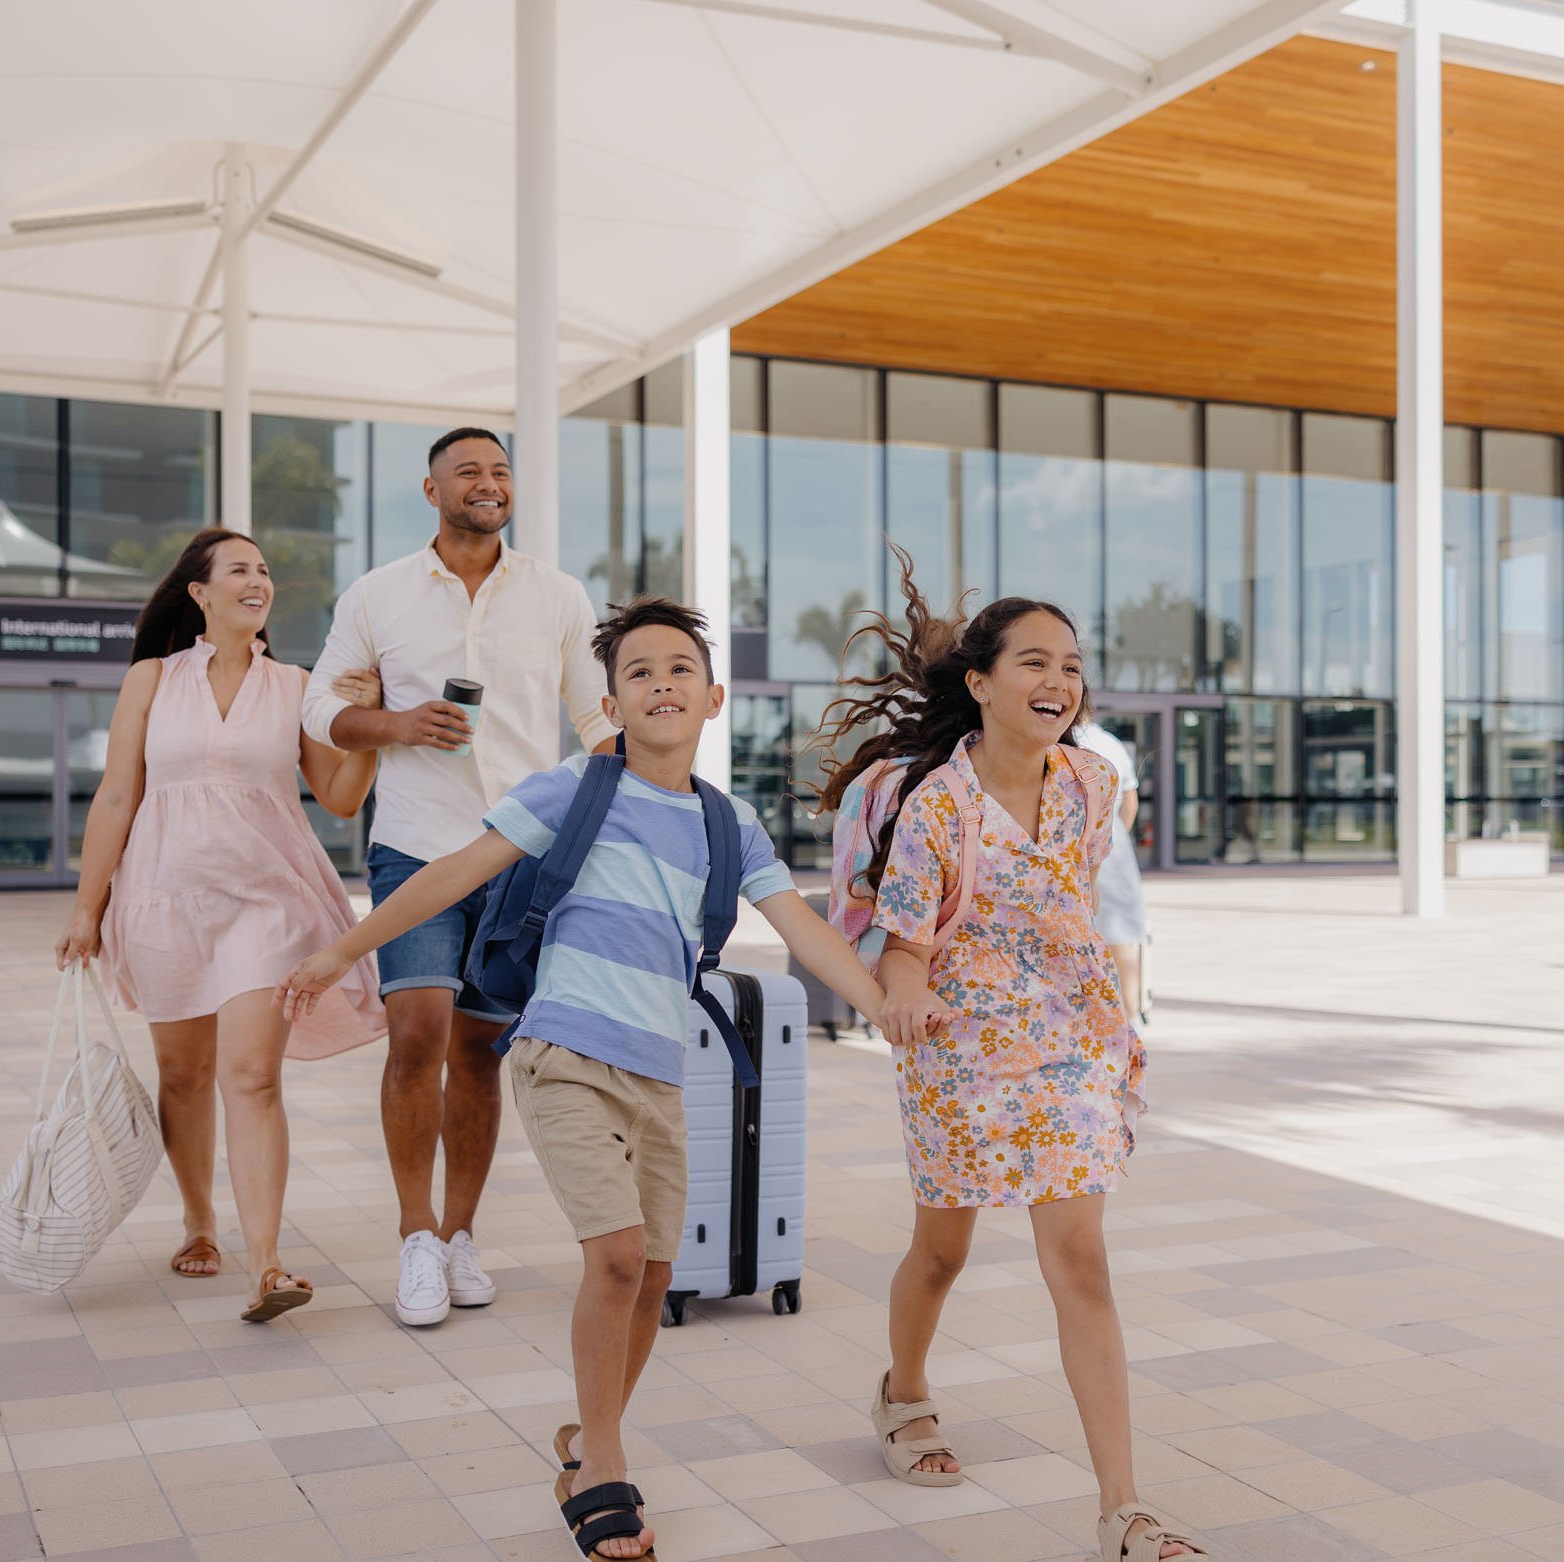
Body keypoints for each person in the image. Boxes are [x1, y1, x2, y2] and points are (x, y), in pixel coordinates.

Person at [279, 598, 944, 1562]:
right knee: (620, 1257)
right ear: (610, 702)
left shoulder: (729, 824)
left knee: (659, 1273)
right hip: (562, 1055)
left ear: (714, 697)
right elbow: (451, 875)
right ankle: (605, 1470)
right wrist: (337, 951)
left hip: (660, 1072)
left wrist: (886, 1003)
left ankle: (587, 1438)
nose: (661, 682)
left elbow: (801, 927)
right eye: (639, 671)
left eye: (679, 668)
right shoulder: (570, 790)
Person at [816, 574, 1209, 1562]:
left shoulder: (1093, 786)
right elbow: (905, 939)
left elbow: (1077, 906)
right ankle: (902, 1388)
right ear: (982, 683)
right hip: (957, 1054)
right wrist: (902, 987)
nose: (1058, 680)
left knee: (1080, 1258)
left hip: (1069, 1048)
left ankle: (1123, 1508)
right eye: (1033, 660)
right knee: (942, 1250)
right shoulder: (938, 807)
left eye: (1071, 665)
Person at [302, 427, 615, 1328]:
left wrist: (634, 805)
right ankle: (413, 1241)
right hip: (416, 844)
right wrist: (397, 726)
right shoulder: (378, 595)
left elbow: (596, 719)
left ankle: (460, 1237)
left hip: (526, 853)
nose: (489, 483)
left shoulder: (557, 595)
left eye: (501, 471)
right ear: (431, 487)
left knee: (480, 1051)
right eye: (469, 471)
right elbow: (320, 708)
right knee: (417, 1035)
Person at [55, 528, 386, 1323]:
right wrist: (85, 907)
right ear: (199, 593)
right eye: (240, 569)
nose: (258, 580)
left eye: (266, 571)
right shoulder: (150, 680)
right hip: (164, 898)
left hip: (268, 903)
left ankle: (268, 1265)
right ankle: (199, 1221)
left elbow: (338, 797)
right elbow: (116, 797)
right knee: (183, 1075)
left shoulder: (295, 684)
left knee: (252, 1074)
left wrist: (368, 727)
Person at [1071, 719, 1151, 1025]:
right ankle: (1129, 1020)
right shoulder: (1111, 744)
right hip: (1113, 847)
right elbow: (1129, 802)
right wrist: (1111, 837)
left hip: (1074, 845)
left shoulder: (1053, 741)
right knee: (1122, 939)